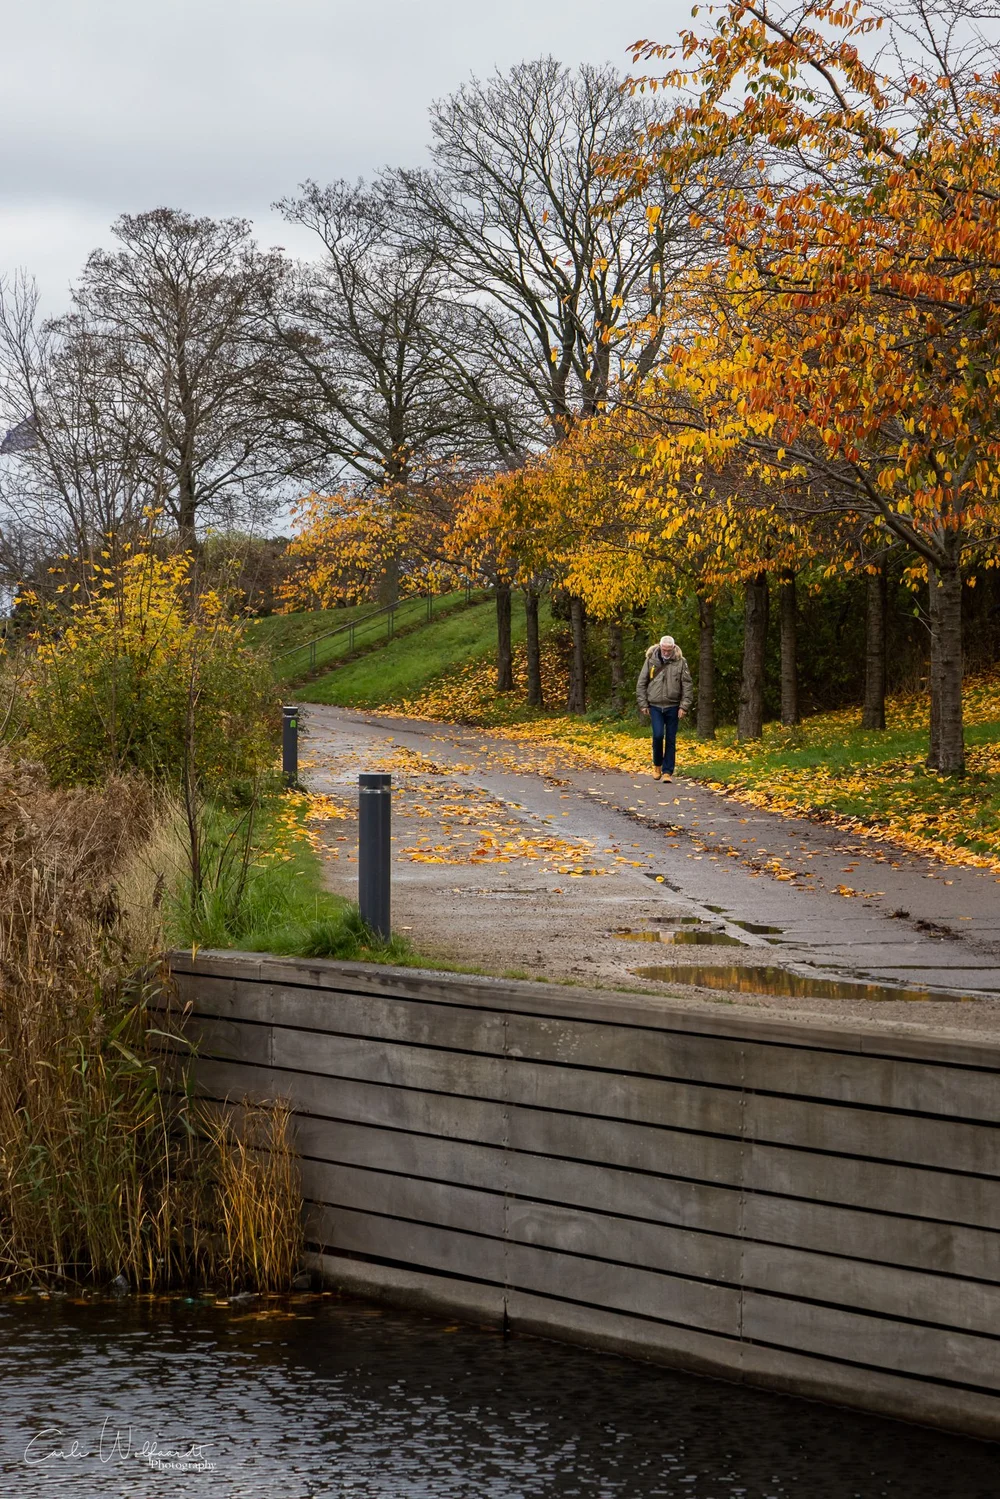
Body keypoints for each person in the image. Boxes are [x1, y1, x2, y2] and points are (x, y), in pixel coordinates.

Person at [636, 634, 693, 782]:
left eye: (669, 650)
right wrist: (643, 704)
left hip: (673, 705)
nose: (666, 652)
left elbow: (687, 685)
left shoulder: (681, 662)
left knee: (671, 739)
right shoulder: (650, 660)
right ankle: (657, 765)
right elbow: (641, 683)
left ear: (673, 648)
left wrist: (684, 706)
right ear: (660, 647)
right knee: (658, 735)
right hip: (655, 705)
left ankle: (668, 772)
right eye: (664, 649)